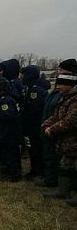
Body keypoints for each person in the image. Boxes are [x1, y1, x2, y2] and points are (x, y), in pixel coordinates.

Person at [41, 71, 77, 206]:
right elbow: (56, 115)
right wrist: (46, 125)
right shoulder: (65, 97)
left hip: (74, 140)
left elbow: (71, 121)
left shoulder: (75, 99)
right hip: (67, 142)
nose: (57, 87)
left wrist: (52, 129)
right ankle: (63, 191)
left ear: (70, 84)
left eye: (61, 84)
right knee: (65, 165)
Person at [0, 77, 23, 182]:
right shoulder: (4, 98)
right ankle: (10, 171)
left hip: (9, 132)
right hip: (7, 132)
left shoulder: (6, 100)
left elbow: (8, 115)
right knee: (7, 153)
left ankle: (14, 174)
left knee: (10, 154)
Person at [20, 65, 48, 180]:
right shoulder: (31, 87)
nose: (21, 77)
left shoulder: (35, 90)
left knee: (36, 149)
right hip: (32, 124)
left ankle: (38, 171)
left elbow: (35, 109)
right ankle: (35, 169)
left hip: (35, 125)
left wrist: (23, 115)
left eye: (23, 75)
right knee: (33, 148)